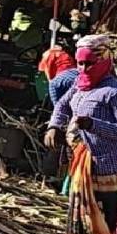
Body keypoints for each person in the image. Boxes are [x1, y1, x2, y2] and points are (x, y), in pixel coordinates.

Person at [46, 34, 117, 234]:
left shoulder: (116, 93)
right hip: (82, 163)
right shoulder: (79, 85)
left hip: (107, 167)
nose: (83, 69)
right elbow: (62, 106)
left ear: (104, 60)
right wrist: (54, 126)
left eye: (88, 64)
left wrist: (93, 125)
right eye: (80, 64)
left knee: (104, 218)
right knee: (81, 214)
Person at [38, 45, 79, 185]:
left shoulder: (56, 83)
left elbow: (59, 108)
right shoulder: (81, 73)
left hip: (76, 120)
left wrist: (54, 127)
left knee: (55, 142)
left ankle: (50, 178)